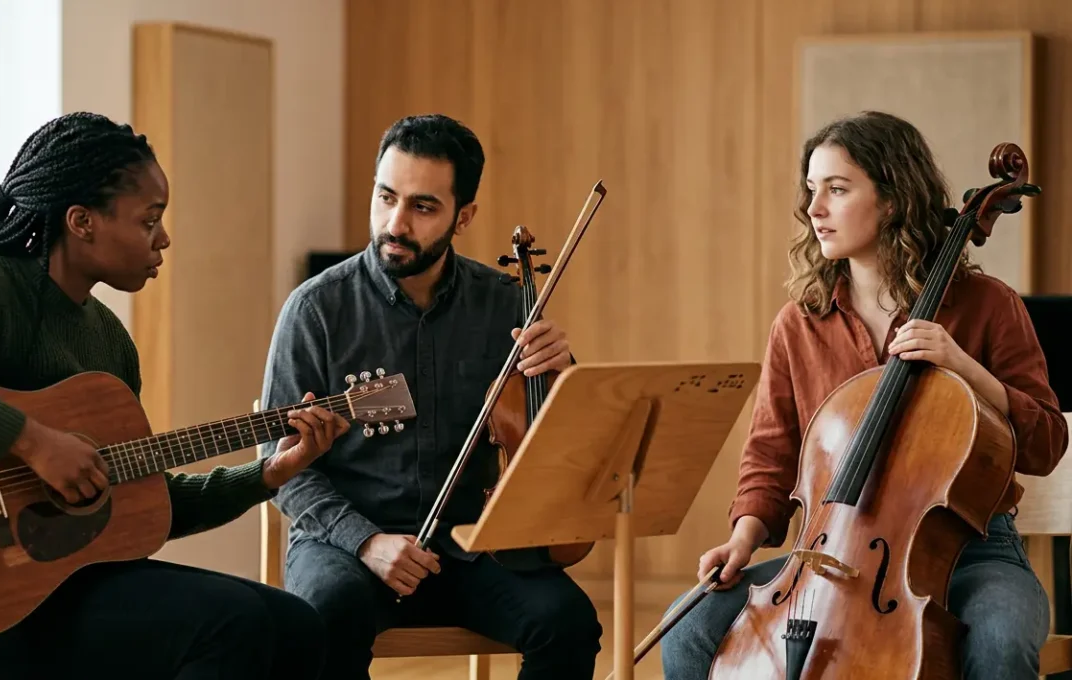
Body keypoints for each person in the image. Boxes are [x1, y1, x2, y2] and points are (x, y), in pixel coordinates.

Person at [0, 112, 348, 680]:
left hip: (67, 589)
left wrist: (268, 476)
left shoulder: (110, 343)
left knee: (300, 626)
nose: (164, 238)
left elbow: (136, 505)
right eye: (148, 220)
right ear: (82, 221)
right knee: (234, 624)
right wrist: (33, 442)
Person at [658, 110, 1069, 679]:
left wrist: (964, 367)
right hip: (827, 548)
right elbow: (770, 456)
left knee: (1000, 641)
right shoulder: (800, 323)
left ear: (894, 199)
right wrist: (743, 539)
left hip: (969, 549)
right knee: (689, 627)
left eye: (837, 189)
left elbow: (1047, 443)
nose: (815, 209)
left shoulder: (987, 305)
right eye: (811, 190)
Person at [258, 113, 603, 679]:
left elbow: (556, 446)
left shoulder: (503, 304)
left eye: (422, 207)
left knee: (567, 622)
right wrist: (366, 541)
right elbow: (279, 464)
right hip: (346, 544)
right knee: (326, 614)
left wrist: (563, 374)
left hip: (469, 546)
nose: (395, 222)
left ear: (463, 216)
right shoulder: (316, 310)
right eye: (386, 196)